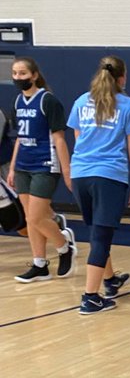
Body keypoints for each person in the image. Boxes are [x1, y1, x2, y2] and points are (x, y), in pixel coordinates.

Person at [68, 55, 130, 314]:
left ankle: (110, 280)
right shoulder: (128, 105)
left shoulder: (81, 101)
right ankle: (90, 297)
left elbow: (78, 139)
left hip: (80, 175)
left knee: (98, 231)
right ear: (122, 78)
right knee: (100, 236)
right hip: (109, 175)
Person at [7, 56, 76, 282]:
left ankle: (64, 247)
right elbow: (19, 138)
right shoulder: (17, 102)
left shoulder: (48, 101)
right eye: (15, 74)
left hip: (46, 164)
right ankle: (40, 264)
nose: (19, 78)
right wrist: (12, 167)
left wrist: (67, 171)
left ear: (34, 75)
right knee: (30, 218)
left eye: (23, 74)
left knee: (36, 217)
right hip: (23, 166)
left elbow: (60, 139)